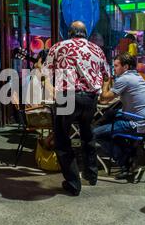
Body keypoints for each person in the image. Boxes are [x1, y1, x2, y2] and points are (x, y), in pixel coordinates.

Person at [43, 21, 111, 196]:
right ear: (85, 34)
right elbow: (107, 76)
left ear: (69, 33)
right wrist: (103, 93)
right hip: (90, 99)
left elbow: (45, 74)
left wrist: (52, 92)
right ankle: (92, 175)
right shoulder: (97, 50)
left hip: (68, 97)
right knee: (87, 136)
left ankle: (74, 183)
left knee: (62, 140)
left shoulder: (58, 47)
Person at [95, 52, 145, 180]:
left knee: (96, 133)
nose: (114, 68)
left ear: (126, 67)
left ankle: (125, 162)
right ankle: (129, 153)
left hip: (137, 123)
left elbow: (104, 98)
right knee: (110, 116)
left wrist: (106, 82)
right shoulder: (137, 76)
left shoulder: (125, 79)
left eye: (116, 66)